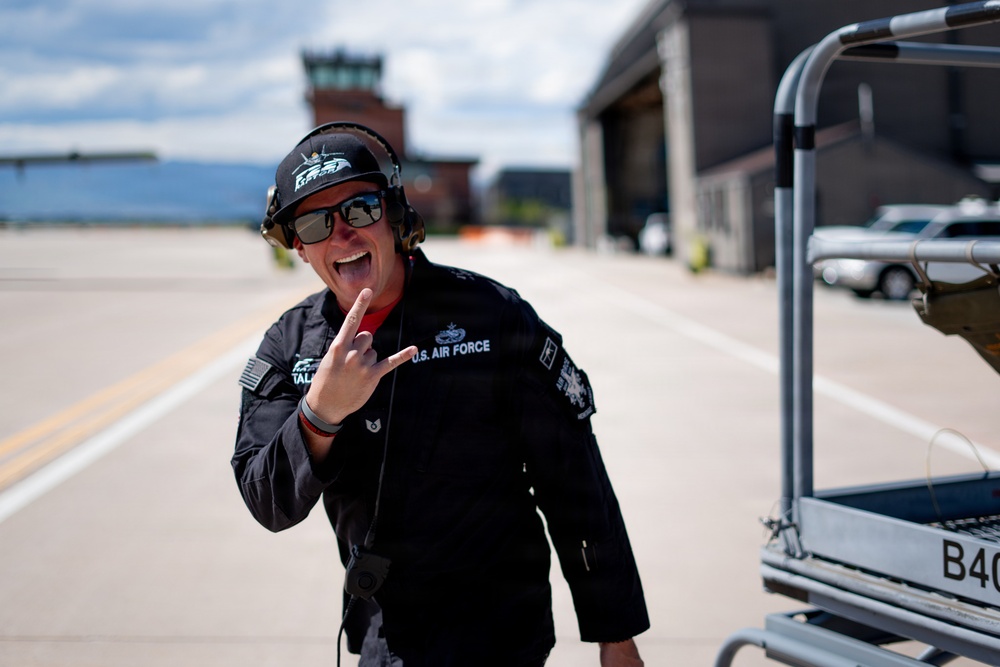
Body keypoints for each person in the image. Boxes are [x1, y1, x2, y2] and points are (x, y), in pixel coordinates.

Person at [232, 122, 648, 667]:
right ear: (300, 249)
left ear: (394, 212)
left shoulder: (493, 317)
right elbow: (268, 502)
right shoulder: (290, 348)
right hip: (386, 635)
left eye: (360, 209)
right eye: (315, 222)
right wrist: (320, 415)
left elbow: (574, 481)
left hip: (501, 633)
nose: (343, 235)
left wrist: (615, 635)